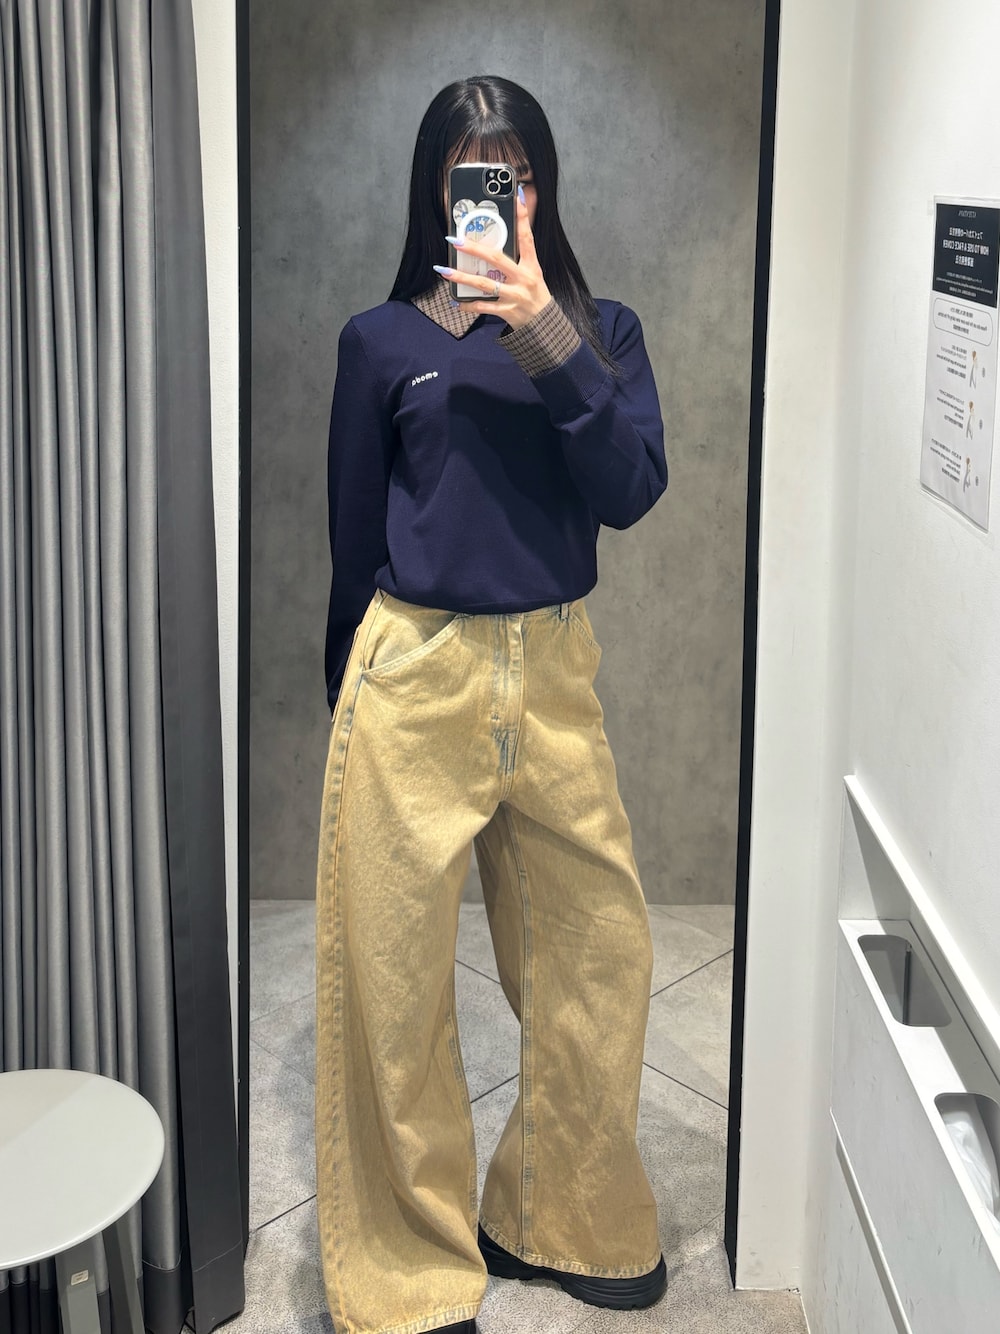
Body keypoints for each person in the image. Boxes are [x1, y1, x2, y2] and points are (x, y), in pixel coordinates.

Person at [316, 75, 669, 1334]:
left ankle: (555, 1213)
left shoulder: (600, 332)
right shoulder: (380, 341)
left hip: (554, 674)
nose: (496, 194)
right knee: (395, 982)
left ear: (541, 187)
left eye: (513, 173)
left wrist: (543, 334)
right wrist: (345, 694)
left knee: (600, 957)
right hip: (413, 674)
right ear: (435, 189)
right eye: (472, 172)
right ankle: (407, 1267)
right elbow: (352, 536)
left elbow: (629, 488)